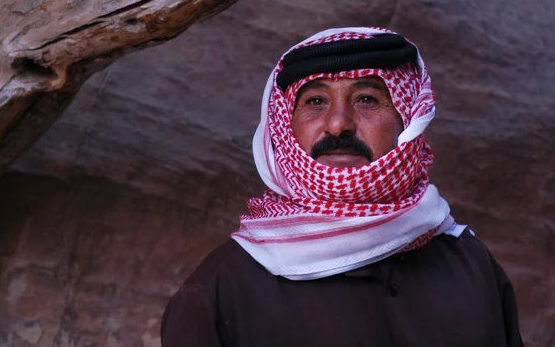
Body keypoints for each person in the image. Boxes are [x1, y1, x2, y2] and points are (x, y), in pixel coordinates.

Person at [160, 27, 523, 347]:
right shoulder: (220, 292)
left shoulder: (473, 265)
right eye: (315, 102)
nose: (338, 125)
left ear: (409, 117)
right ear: (284, 129)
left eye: (367, 99)